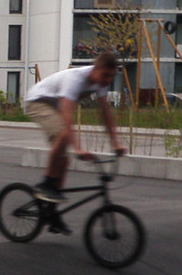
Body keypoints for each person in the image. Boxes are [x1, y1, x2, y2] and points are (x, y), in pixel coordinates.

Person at [23, 53, 128, 232]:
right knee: (64, 132)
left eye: (111, 76)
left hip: (54, 108)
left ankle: (52, 213)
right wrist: (78, 148)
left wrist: (115, 143)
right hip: (37, 102)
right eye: (105, 75)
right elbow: (66, 114)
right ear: (95, 69)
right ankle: (46, 183)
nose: (107, 80)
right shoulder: (75, 79)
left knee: (64, 160)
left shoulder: (100, 82)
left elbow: (105, 114)